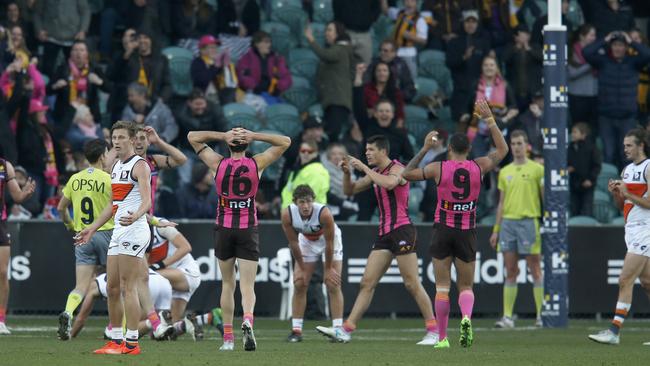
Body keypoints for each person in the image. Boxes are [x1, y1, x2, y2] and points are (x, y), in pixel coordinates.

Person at [402, 99, 509, 348]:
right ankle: (467, 319)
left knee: (441, 286)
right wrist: (490, 119)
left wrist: (424, 148)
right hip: (467, 231)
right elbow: (503, 151)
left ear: (449, 148)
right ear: (469, 150)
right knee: (466, 286)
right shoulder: (478, 166)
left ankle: (442, 338)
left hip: (443, 229)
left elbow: (406, 174)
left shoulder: (438, 167)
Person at [315, 135, 437, 345]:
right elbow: (349, 190)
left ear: (383, 151)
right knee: (367, 283)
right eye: (366, 150)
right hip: (384, 233)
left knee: (411, 283)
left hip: (402, 230)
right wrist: (347, 174)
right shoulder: (375, 173)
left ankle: (434, 331)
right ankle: (346, 330)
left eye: (371, 150)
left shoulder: (398, 169)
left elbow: (390, 184)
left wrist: (363, 167)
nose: (367, 153)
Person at [188, 127, 290, 351]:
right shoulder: (257, 163)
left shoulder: (217, 163)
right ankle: (248, 320)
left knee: (227, 283)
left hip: (224, 227)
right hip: (248, 228)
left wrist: (222, 135)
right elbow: (285, 141)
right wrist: (255, 135)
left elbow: (192, 137)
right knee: (247, 285)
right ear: (246, 144)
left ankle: (227, 338)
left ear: (229, 144)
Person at [76, 121, 153, 355]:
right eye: (114, 137)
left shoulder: (140, 166)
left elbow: (147, 200)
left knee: (129, 287)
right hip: (119, 229)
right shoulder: (117, 166)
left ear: (132, 139)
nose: (116, 141)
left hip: (135, 228)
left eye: (121, 137)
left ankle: (132, 343)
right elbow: (112, 204)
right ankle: (116, 340)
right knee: (111, 287)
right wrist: (91, 228)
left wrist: (136, 215)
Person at [588, 128, 650, 344]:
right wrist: (617, 194)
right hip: (631, 229)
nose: (625, 149)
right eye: (624, 145)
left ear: (641, 145)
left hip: (646, 229)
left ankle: (614, 331)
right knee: (648, 282)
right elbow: (623, 204)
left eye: (629, 145)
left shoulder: (648, 168)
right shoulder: (626, 171)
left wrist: (627, 192)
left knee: (625, 280)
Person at [56, 139, 113, 340]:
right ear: (102, 156)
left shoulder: (75, 179)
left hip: (82, 236)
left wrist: (70, 226)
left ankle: (68, 312)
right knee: (116, 286)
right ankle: (117, 328)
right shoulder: (108, 179)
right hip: (107, 233)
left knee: (80, 286)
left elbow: (61, 208)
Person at [490, 130, 544, 329]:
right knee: (510, 270)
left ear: (527, 145)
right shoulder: (505, 171)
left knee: (535, 269)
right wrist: (496, 229)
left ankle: (540, 316)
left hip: (529, 222)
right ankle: (507, 317)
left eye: (520, 143)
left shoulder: (538, 169)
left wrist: (546, 220)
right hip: (508, 224)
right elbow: (501, 203)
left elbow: (544, 198)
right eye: (513, 143)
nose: (516, 147)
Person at [281, 185, 343, 342]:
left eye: (308, 201)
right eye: (302, 202)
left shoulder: (324, 213)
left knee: (332, 283)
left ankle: (337, 330)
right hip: (307, 242)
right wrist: (301, 267)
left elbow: (329, 243)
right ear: (295, 202)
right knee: (300, 283)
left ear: (313, 200)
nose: (306, 206)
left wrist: (328, 269)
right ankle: (296, 331)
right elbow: (293, 243)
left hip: (329, 241)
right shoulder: (288, 214)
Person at [583, 31, 650, 167]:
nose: (618, 48)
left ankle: (627, 186)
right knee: (608, 154)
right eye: (614, 45)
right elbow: (586, 52)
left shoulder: (634, 62)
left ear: (626, 48)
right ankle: (609, 187)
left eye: (621, 45)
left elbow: (647, 54)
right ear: (610, 46)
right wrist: (605, 39)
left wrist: (631, 41)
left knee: (627, 155)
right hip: (606, 116)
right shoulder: (603, 62)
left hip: (627, 117)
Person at [70, 269, 173, 339]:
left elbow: (81, 318)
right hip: (162, 281)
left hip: (141, 284)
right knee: (156, 330)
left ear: (93, 275)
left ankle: (152, 322)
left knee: (125, 328)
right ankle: (162, 323)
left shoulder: (95, 283)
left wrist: (71, 334)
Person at [148, 220, 202, 340]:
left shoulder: (160, 225)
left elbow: (186, 247)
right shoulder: (134, 232)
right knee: (170, 333)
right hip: (171, 279)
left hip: (187, 273)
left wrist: (160, 264)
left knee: (146, 276)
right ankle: (209, 317)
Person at [0, 154, 35, 334]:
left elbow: (17, 197)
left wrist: (26, 192)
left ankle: (0, 320)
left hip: (0, 223)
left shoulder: (5, 166)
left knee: (3, 272)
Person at [305, 21, 354, 142]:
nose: (326, 33)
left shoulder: (340, 49)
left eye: (330, 30)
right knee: (330, 133)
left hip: (337, 100)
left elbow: (325, 55)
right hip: (332, 100)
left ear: (338, 33)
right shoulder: (339, 49)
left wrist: (311, 40)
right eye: (326, 30)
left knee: (332, 134)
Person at [236, 30, 292, 104]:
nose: (269, 45)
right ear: (257, 44)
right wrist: (255, 87)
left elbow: (287, 77)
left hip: (273, 94)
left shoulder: (277, 59)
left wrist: (278, 87)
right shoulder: (246, 59)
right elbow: (242, 76)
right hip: (254, 95)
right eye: (266, 42)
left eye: (270, 42)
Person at [568, 24, 598, 134]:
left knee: (592, 129)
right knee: (578, 127)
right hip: (577, 97)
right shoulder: (572, 51)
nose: (594, 38)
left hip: (594, 95)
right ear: (582, 36)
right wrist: (591, 64)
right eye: (591, 35)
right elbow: (572, 73)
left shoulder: (597, 51)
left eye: (594, 35)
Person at [281, 141, 330, 208]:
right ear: (299, 152)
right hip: (293, 212)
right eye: (303, 151)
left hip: (308, 214)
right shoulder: (297, 169)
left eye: (310, 151)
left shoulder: (317, 171)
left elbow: (309, 197)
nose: (306, 153)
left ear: (316, 153)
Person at [568, 122, 602, 217]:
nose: (572, 134)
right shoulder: (570, 147)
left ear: (583, 134)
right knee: (574, 211)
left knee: (587, 211)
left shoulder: (592, 148)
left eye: (575, 132)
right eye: (572, 132)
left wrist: (590, 179)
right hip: (574, 184)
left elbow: (596, 166)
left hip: (587, 185)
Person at [389, 0, 429, 79]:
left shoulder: (419, 19)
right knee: (394, 78)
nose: (409, 3)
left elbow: (424, 41)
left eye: (412, 1)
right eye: (407, 1)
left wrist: (411, 37)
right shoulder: (399, 14)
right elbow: (386, 11)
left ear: (416, 3)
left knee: (410, 78)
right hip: (395, 51)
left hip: (409, 53)